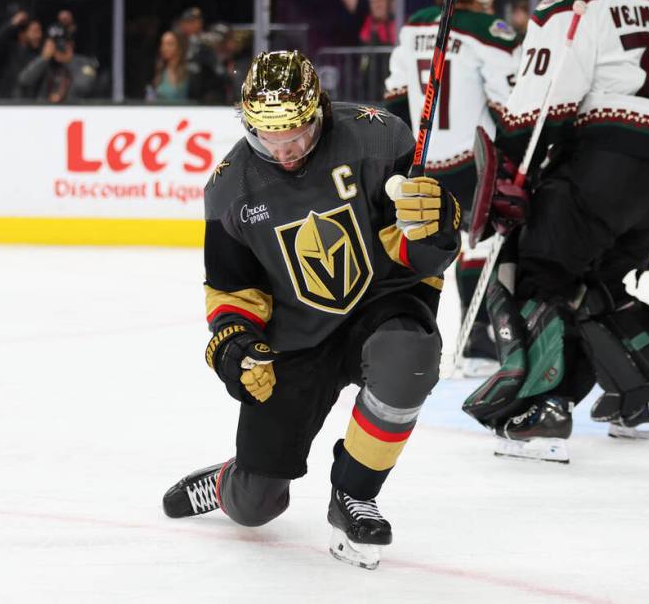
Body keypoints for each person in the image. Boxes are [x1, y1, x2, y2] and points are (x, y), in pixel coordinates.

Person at [162, 50, 461, 570]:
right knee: (257, 506)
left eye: (297, 135)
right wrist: (235, 349)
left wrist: (436, 223)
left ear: (318, 109)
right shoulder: (229, 188)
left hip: (382, 302)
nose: (285, 151)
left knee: (408, 356)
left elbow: (418, 250)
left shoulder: (377, 136)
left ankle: (354, 494)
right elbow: (233, 294)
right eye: (268, 138)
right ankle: (229, 482)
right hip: (294, 336)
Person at [464, 0, 649, 462]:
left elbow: (545, 94)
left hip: (603, 164)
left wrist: (512, 154)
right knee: (599, 281)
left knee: (538, 271)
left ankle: (541, 409)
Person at [384, 0, 519, 377]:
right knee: (486, 245)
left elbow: (394, 96)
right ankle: (481, 342)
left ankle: (398, 339)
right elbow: (509, 107)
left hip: (424, 164)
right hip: (473, 164)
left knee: (421, 251)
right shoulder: (491, 30)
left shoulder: (416, 24)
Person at [324, 0, 397, 99]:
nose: (377, 5)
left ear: (390, 3)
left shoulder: (398, 23)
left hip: (390, 91)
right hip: (366, 92)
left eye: (382, 0)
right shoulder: (365, 21)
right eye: (374, 1)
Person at [16, 23, 99, 103]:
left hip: (73, 111)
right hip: (43, 111)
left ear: (71, 44)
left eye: (61, 42)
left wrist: (68, 61)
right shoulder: (44, 63)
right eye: (53, 43)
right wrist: (43, 59)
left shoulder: (83, 62)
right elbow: (24, 80)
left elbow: (83, 86)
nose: (58, 46)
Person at [0, 9, 43, 99]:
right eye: (34, 31)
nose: (39, 35)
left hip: (28, 103)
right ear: (22, 35)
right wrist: (13, 22)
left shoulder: (39, 55)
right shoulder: (9, 49)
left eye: (40, 31)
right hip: (4, 101)